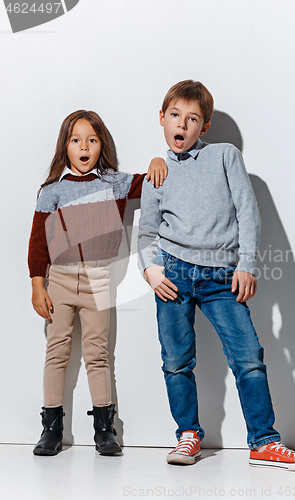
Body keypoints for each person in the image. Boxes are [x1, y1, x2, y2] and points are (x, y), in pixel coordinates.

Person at [138, 80, 295, 471]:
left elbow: (246, 211)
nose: (181, 124)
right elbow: (147, 231)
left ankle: (264, 442)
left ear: (203, 127)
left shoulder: (225, 156)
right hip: (172, 275)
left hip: (221, 276)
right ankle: (188, 435)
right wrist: (151, 269)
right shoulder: (157, 172)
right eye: (174, 115)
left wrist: (247, 264)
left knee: (248, 358)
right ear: (162, 118)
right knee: (175, 361)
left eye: (192, 118)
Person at [28, 110, 167, 456]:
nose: (84, 146)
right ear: (65, 147)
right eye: (76, 140)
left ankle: (105, 428)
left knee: (98, 353)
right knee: (56, 351)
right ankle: (51, 428)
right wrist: (37, 284)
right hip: (58, 279)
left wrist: (155, 160)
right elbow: (37, 242)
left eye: (92, 139)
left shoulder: (114, 183)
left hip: (98, 279)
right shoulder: (52, 192)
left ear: (101, 144)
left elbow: (148, 181)